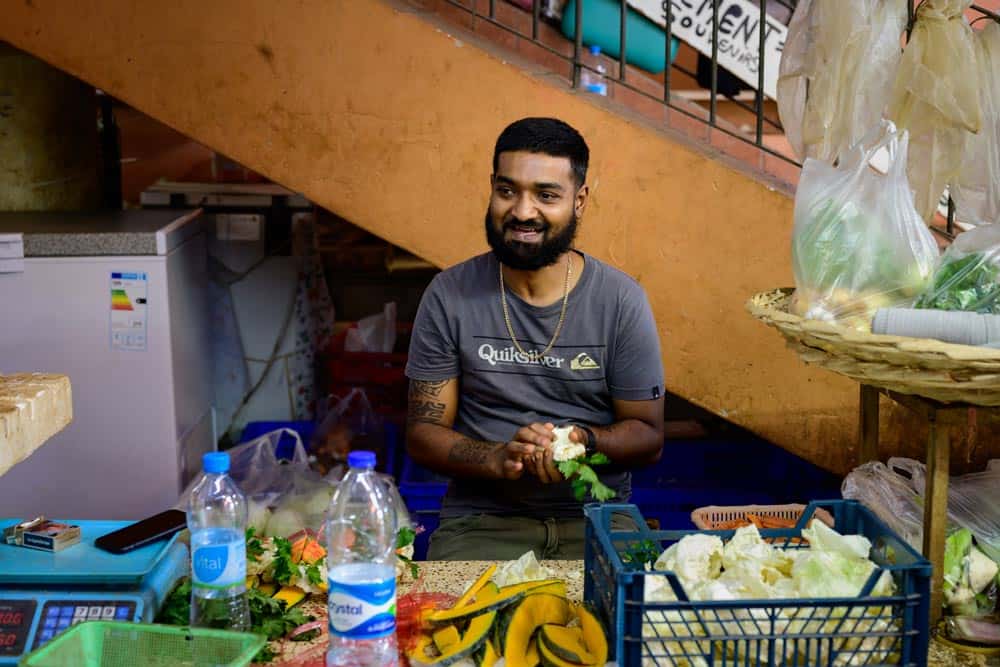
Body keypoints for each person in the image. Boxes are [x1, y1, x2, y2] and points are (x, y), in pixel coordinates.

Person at [405, 117, 665, 560]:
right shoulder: (449, 294)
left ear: (579, 201)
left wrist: (583, 441)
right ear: (491, 188)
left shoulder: (620, 300)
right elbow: (423, 431)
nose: (523, 212)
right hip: (481, 521)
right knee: (457, 625)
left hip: (597, 517)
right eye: (508, 191)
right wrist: (496, 458)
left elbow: (648, 436)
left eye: (546, 195)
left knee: (624, 625)